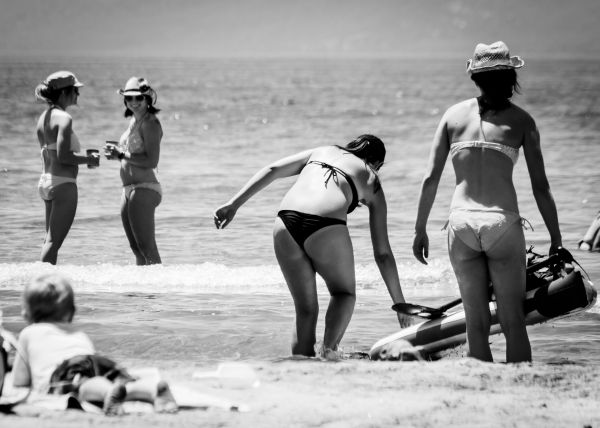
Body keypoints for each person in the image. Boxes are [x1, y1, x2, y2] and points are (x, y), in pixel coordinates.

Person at [412, 41, 563, 363]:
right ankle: (518, 381)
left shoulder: (453, 116)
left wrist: (419, 230)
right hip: (501, 223)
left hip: (461, 223)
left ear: (475, 78)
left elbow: (430, 179)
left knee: (476, 320)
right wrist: (556, 238)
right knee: (512, 319)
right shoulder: (522, 121)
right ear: (511, 77)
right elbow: (541, 186)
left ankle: (480, 380)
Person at [214, 135, 412, 358]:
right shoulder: (371, 177)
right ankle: (328, 353)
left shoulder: (323, 151)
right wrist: (400, 304)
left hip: (285, 222)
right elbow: (383, 254)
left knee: (306, 309)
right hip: (325, 225)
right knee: (343, 294)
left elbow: (273, 169)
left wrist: (234, 204)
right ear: (377, 164)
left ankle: (301, 361)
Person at [11, 273, 177, 415]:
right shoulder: (79, 334)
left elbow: (19, 381)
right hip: (95, 361)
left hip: (65, 369)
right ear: (72, 311)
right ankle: (152, 390)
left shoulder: (28, 333)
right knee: (116, 383)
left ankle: (107, 392)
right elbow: (90, 363)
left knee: (84, 386)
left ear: (27, 313)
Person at [34, 71, 100, 264]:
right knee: (53, 243)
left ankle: (45, 284)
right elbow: (63, 156)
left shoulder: (42, 118)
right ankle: (43, 285)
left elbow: (50, 153)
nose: (77, 95)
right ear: (64, 93)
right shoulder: (64, 118)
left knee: (49, 241)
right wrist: (89, 160)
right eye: (75, 91)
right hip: (63, 184)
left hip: (46, 182)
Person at [104, 77, 163, 265]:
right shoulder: (133, 122)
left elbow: (152, 161)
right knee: (136, 249)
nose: (134, 102)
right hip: (128, 189)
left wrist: (121, 155)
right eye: (129, 99)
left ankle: (157, 290)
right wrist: (117, 155)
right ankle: (141, 292)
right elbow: (129, 154)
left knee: (147, 248)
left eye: (138, 98)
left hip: (145, 188)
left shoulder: (150, 123)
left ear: (148, 99)